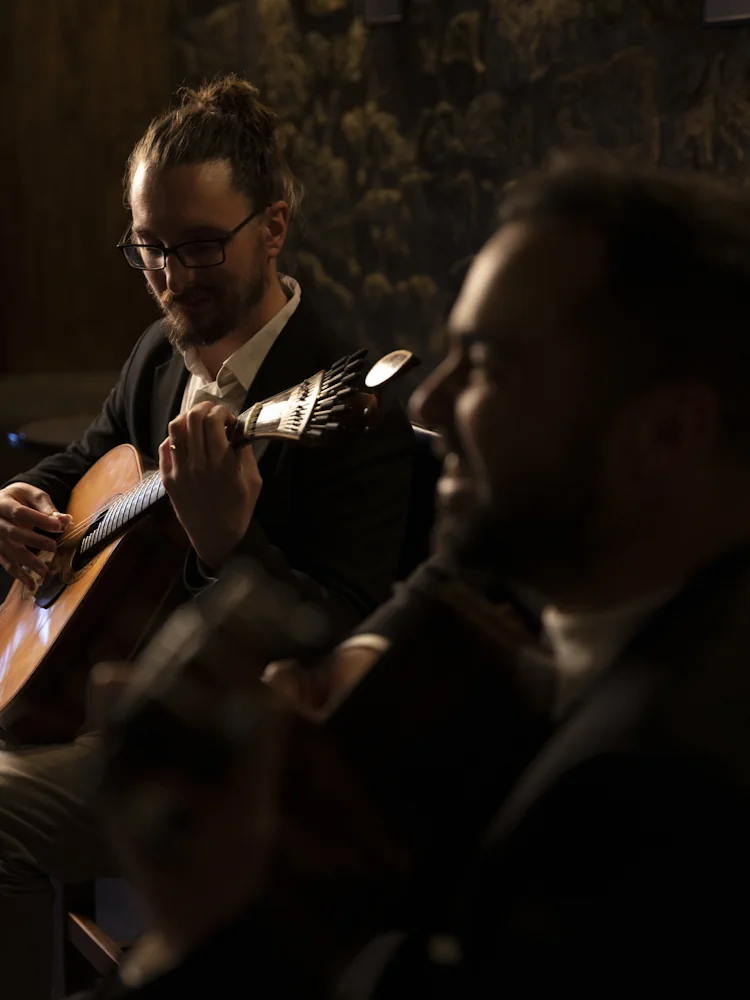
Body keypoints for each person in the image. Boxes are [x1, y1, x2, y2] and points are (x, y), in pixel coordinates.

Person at [92, 152, 750, 997]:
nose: (432, 405)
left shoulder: (655, 796)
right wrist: (361, 667)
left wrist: (201, 925)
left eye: (486, 365)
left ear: (666, 435)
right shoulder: (596, 570)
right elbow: (448, 581)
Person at [0, 75, 413, 1000]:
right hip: (99, 700)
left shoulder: (353, 410)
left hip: (223, 763)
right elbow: (93, 457)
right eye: (148, 249)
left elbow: (342, 640)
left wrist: (229, 549)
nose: (171, 279)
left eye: (197, 247)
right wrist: (25, 497)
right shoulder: (159, 350)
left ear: (273, 226)